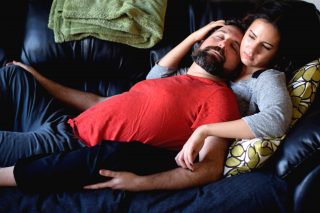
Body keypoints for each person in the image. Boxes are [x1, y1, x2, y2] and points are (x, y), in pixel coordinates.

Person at [0, 20, 245, 191]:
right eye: (219, 36)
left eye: (234, 46)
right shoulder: (171, 80)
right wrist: (36, 77)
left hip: (69, 146)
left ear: (240, 63)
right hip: (62, 122)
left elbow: (210, 168)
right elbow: (98, 102)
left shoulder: (219, 98)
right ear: (201, 41)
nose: (222, 45)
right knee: (15, 75)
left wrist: (142, 183)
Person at [147, 0, 294, 171]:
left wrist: (205, 130)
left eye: (266, 46)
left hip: (190, 153)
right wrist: (193, 38)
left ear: (278, 53)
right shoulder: (223, 64)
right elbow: (153, 83)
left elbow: (277, 120)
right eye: (252, 36)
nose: (251, 50)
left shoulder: (265, 78)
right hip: (161, 131)